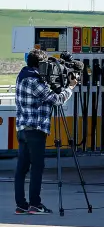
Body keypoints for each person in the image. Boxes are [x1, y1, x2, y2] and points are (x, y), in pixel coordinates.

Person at [14, 49, 76, 215]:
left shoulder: (22, 75)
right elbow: (56, 99)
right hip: (35, 129)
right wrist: (70, 87)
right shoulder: (34, 81)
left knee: (22, 168)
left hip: (22, 128)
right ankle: (35, 204)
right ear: (40, 64)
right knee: (37, 167)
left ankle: (21, 205)